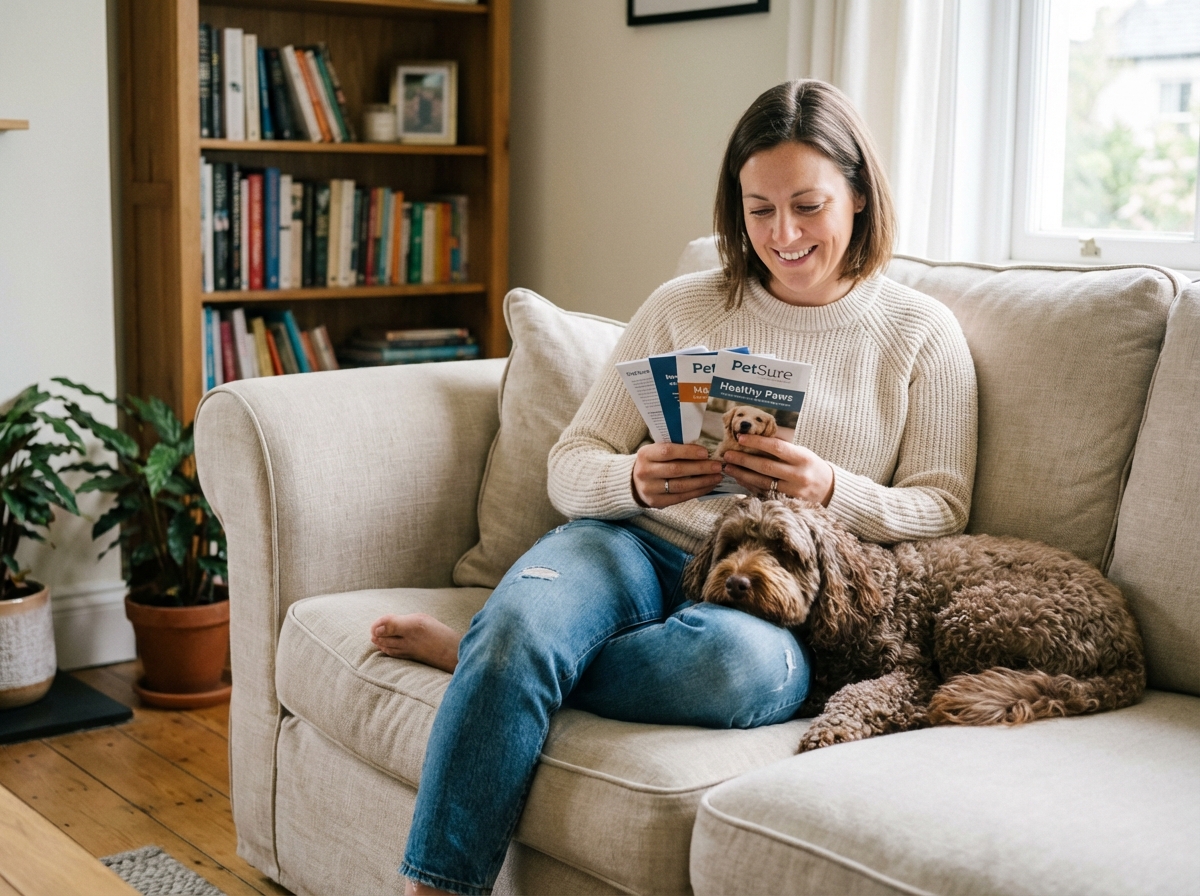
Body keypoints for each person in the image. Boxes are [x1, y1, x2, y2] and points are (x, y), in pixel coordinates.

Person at [371, 79, 978, 896]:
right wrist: (634, 476)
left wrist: (831, 487)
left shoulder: (919, 334)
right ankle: (443, 866)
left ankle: (493, 660)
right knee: (523, 625)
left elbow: (942, 509)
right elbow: (570, 462)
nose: (783, 235)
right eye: (758, 210)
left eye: (808, 206)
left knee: (740, 676)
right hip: (636, 543)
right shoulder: (684, 306)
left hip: (771, 600)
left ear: (861, 196)